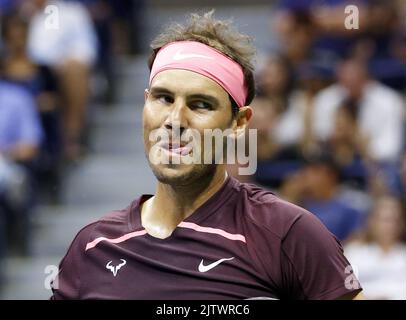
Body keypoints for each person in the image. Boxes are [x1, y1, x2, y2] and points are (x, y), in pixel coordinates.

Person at [51, 12, 363, 300]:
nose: (174, 120)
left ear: (239, 123)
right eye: (163, 98)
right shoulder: (92, 246)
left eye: (200, 104)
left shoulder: (289, 234)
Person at [345, 196, 406, 299]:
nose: (390, 226)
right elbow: (347, 289)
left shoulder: (403, 253)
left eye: (394, 220)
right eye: (385, 220)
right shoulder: (353, 253)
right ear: (371, 221)